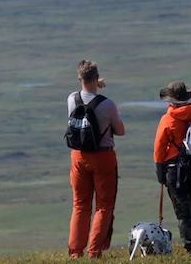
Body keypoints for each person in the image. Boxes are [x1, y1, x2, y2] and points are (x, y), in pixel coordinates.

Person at [66, 60, 125, 258]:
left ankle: (75, 252)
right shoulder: (107, 104)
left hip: (78, 156)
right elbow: (120, 130)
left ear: (79, 78)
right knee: (104, 205)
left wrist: (92, 85)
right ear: (96, 77)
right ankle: (94, 251)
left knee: (80, 205)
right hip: (103, 157)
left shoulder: (72, 99)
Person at [153, 80, 191, 254]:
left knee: (183, 212)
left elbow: (159, 147)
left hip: (174, 170)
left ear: (171, 100)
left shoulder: (167, 119)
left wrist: (160, 171)